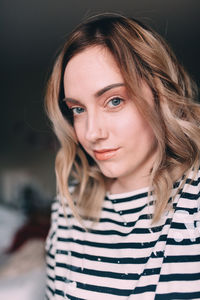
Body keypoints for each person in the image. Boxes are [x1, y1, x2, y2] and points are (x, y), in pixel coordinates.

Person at [45, 13, 200, 299]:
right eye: (77, 109)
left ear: (160, 95)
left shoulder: (193, 204)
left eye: (114, 101)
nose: (92, 133)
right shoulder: (68, 212)